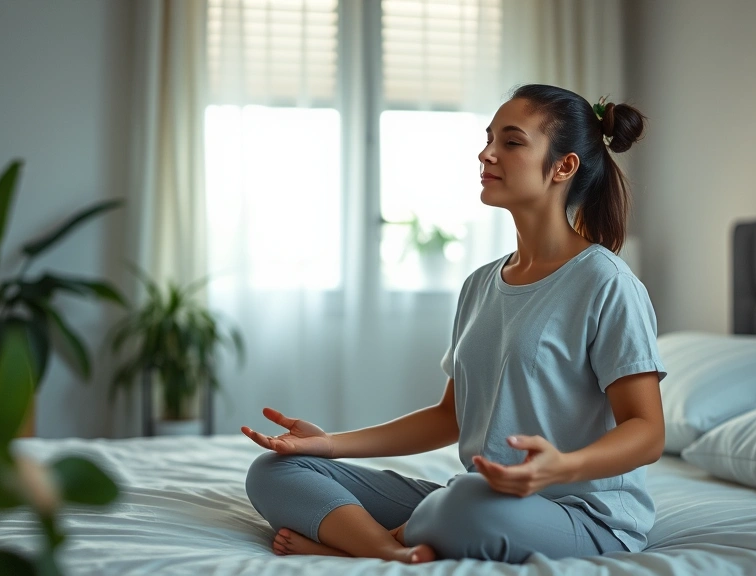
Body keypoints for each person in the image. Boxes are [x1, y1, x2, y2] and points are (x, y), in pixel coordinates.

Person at [242, 84, 666, 565]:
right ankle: (386, 548)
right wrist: (330, 444)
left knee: (463, 503)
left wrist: (559, 469)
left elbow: (647, 431)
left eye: (511, 141)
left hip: (580, 516)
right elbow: (452, 416)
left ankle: (356, 541)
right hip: (480, 495)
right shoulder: (481, 284)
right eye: (488, 139)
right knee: (277, 469)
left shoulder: (605, 281)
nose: (486, 154)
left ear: (563, 167)